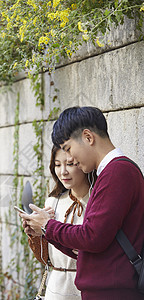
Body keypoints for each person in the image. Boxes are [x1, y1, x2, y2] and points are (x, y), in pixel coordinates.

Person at [21, 106, 144, 300]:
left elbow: (92, 237)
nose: (70, 159)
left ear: (88, 137)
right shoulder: (109, 174)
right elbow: (85, 247)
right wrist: (44, 231)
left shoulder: (117, 172)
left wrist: (47, 225)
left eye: (69, 149)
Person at [24, 145, 95, 299]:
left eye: (70, 164)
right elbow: (46, 258)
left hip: (87, 289)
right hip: (55, 290)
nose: (63, 171)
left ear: (83, 163)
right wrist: (36, 234)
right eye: (57, 165)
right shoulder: (53, 202)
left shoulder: (97, 202)